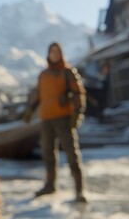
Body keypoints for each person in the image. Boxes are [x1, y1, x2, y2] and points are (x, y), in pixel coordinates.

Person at [23, 42, 87, 203]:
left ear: (61, 54)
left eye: (57, 51)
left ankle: (79, 191)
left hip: (64, 120)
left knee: (72, 155)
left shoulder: (68, 72)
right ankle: (50, 185)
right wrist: (30, 109)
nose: (55, 54)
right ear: (48, 54)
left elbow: (79, 93)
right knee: (48, 154)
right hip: (46, 120)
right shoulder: (43, 75)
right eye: (52, 51)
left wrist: (77, 114)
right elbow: (38, 94)